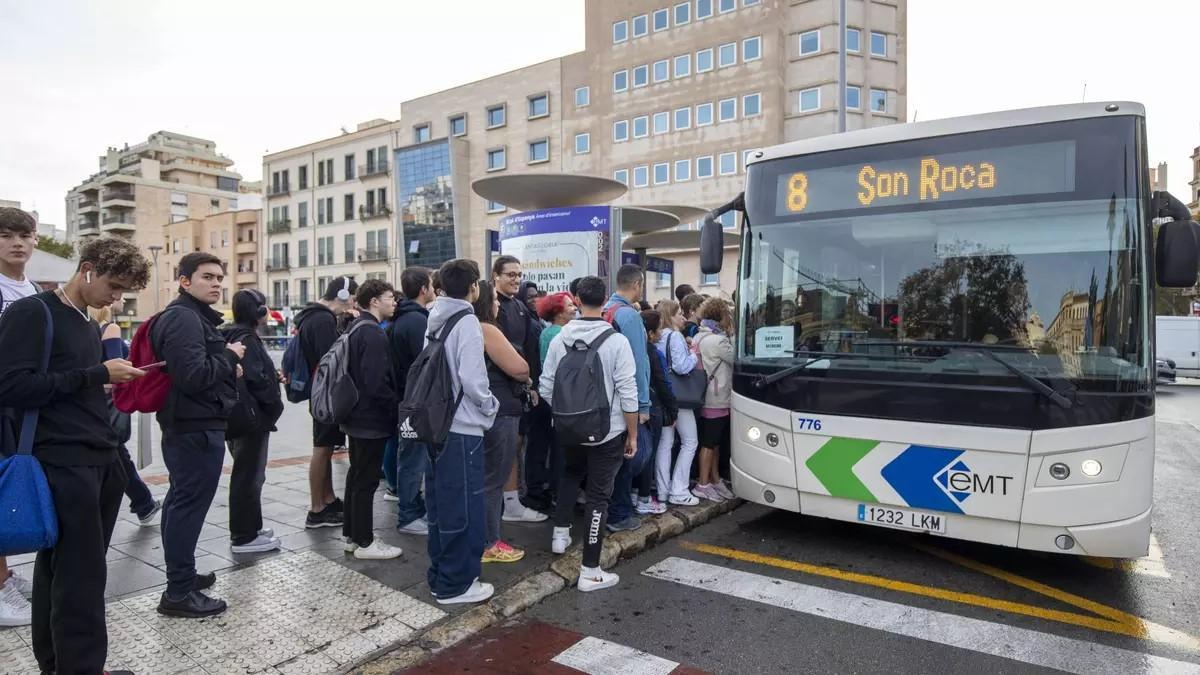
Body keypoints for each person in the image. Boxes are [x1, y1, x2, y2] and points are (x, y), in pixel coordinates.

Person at [0, 236, 149, 670]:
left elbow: (69, 383)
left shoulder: (85, 320)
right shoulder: (33, 312)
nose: (116, 298)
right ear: (87, 269)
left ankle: (60, 664)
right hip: (62, 462)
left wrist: (100, 379)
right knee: (80, 578)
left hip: (97, 457)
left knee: (60, 573)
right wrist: (95, 373)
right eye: (114, 286)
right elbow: (9, 385)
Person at [153, 252, 241, 618]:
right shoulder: (184, 319)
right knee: (187, 506)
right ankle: (178, 592)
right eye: (207, 277)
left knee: (180, 502)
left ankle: (183, 577)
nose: (217, 283)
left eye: (220, 277)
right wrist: (231, 357)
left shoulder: (189, 316)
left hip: (191, 423)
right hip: (194, 426)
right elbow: (192, 376)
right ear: (184, 281)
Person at [540, 275, 639, 592]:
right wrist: (633, 435)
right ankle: (591, 570)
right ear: (605, 301)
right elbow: (629, 393)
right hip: (607, 431)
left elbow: (546, 386)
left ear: (577, 301)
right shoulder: (616, 341)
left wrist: (567, 414)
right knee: (599, 497)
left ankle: (560, 533)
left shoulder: (559, 339)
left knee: (570, 475)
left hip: (567, 428)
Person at [425, 258, 498, 604]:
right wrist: (489, 406)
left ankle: (441, 575)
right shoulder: (467, 320)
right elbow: (472, 378)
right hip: (463, 425)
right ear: (474, 287)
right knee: (465, 506)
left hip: (436, 423)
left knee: (442, 504)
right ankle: (457, 583)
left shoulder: (436, 315)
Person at [474, 280, 537, 563]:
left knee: (488, 476)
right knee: (494, 478)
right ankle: (489, 542)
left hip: (487, 410)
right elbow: (519, 368)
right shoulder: (487, 328)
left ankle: (487, 537)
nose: (499, 305)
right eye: (495, 301)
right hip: (501, 410)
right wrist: (525, 374)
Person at [340, 279, 403, 560]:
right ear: (374, 301)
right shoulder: (373, 333)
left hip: (355, 415)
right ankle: (365, 542)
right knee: (365, 480)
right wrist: (395, 408)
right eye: (390, 297)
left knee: (356, 476)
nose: (394, 302)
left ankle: (352, 536)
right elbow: (376, 382)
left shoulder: (356, 328)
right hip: (370, 418)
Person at [0, 207, 42, 626]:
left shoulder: (28, 288)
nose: (17, 242)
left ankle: (5, 575)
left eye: (25, 235)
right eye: (6, 235)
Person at [89, 300, 163, 527]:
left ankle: (143, 503)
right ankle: (143, 503)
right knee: (118, 456)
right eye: (117, 294)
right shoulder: (109, 328)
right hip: (109, 403)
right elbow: (116, 367)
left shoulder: (88, 330)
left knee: (118, 456)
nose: (121, 299)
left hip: (92, 404)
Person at [222, 289, 284, 554]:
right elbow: (257, 380)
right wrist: (273, 404)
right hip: (251, 420)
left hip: (239, 418)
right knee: (248, 476)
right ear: (258, 311)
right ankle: (244, 536)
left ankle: (252, 527)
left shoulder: (233, 335)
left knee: (248, 474)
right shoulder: (247, 339)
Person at [293, 276, 358, 528]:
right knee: (321, 449)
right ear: (342, 295)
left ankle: (327, 499)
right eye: (352, 296)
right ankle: (316, 508)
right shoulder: (321, 320)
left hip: (319, 392)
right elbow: (330, 360)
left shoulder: (313, 316)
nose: (353, 302)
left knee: (327, 446)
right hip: (325, 394)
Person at [491, 255, 545, 522]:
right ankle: (505, 505)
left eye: (518, 274)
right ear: (496, 276)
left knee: (513, 446)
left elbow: (526, 348)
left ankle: (511, 502)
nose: (516, 279)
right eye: (510, 274)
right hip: (498, 390)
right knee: (502, 450)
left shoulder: (520, 308)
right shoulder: (492, 308)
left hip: (518, 389)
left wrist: (530, 383)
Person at [383, 266, 435, 535]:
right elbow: (425, 363)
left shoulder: (403, 319)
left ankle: (413, 509)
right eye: (431, 283)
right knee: (413, 459)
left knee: (411, 456)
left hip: (407, 398)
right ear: (424, 289)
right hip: (415, 400)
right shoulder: (417, 322)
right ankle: (409, 514)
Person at [601, 264, 652, 532]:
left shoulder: (605, 310)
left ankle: (613, 508)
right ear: (637, 285)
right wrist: (642, 405)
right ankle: (619, 513)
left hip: (606, 398)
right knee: (633, 455)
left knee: (615, 458)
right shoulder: (629, 316)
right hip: (627, 400)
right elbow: (637, 363)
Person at [524, 291, 576, 511]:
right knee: (556, 449)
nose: (574, 307)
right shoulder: (557, 333)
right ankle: (555, 492)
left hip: (548, 396)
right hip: (555, 398)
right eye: (570, 305)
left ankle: (546, 489)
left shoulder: (551, 331)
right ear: (558, 311)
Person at [653, 299, 701, 506]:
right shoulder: (675, 336)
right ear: (670, 316)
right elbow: (681, 367)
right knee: (690, 441)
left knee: (665, 444)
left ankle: (663, 490)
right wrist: (693, 355)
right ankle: (679, 489)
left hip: (662, 396)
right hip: (679, 397)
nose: (683, 317)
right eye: (679, 313)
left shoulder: (656, 337)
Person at [693, 298, 736, 502]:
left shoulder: (699, 337)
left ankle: (715, 479)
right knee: (709, 443)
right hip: (717, 398)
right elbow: (736, 358)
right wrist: (735, 333)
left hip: (706, 396)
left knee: (713, 441)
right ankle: (703, 484)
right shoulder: (719, 341)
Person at [636, 310, 676, 515]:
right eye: (659, 329)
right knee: (649, 453)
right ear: (650, 333)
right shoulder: (654, 353)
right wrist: (673, 411)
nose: (661, 333)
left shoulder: (635, 350)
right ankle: (644, 497)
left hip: (636, 406)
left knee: (637, 452)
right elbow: (664, 384)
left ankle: (636, 493)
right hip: (654, 407)